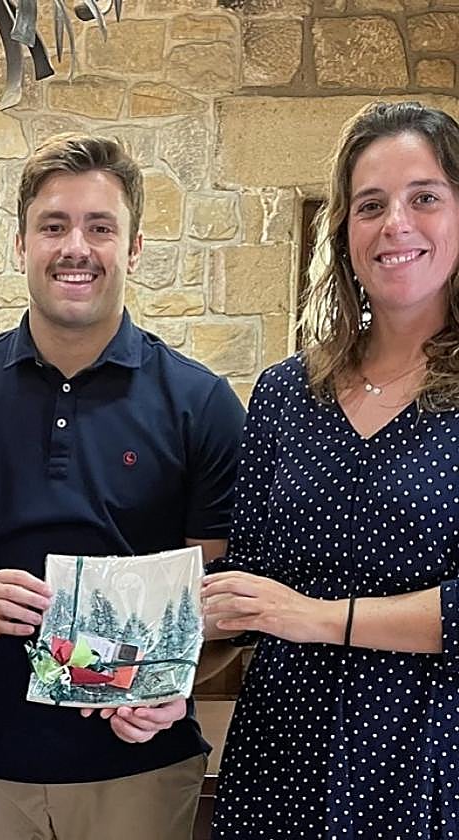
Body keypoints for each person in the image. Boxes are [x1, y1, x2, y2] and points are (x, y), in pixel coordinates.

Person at [0, 132, 246, 840]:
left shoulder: (202, 404)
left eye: (100, 227)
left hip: (139, 770)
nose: (75, 247)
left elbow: (221, 599)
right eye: (53, 226)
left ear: (134, 247)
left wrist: (174, 687)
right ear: (21, 246)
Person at [204, 101, 459, 839]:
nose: (395, 225)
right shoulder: (286, 393)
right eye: (370, 205)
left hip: (425, 761)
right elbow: (245, 587)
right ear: (343, 233)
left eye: (425, 198)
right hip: (281, 757)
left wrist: (312, 618)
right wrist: (155, 671)